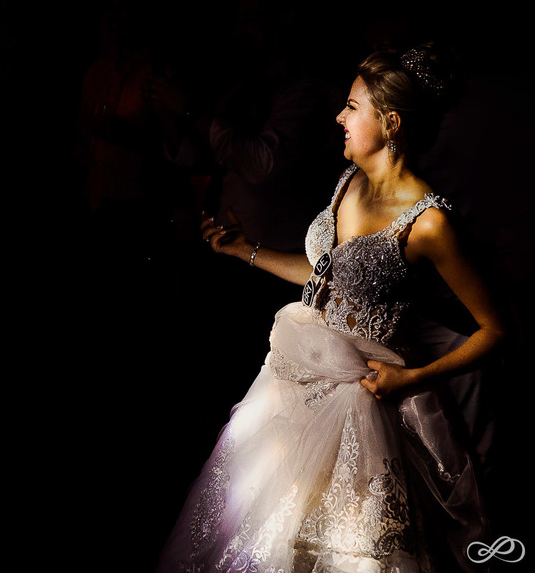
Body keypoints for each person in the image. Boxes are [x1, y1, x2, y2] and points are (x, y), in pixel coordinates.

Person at [157, 42, 509, 572]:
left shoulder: (428, 222)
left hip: (363, 404)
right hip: (296, 382)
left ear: (390, 122)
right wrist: (245, 250)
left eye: (351, 106)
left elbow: (499, 330)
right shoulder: (350, 180)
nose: (339, 116)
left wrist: (412, 378)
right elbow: (329, 281)